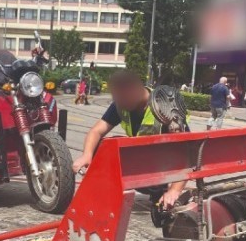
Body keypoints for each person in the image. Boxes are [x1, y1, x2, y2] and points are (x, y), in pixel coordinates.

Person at [72, 69, 189, 210]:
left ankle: (160, 191)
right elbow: (96, 131)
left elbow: (185, 151)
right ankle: (111, 192)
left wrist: (175, 190)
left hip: (162, 169)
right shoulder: (122, 103)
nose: (120, 103)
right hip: (143, 162)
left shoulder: (164, 105)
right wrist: (87, 155)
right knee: (105, 145)